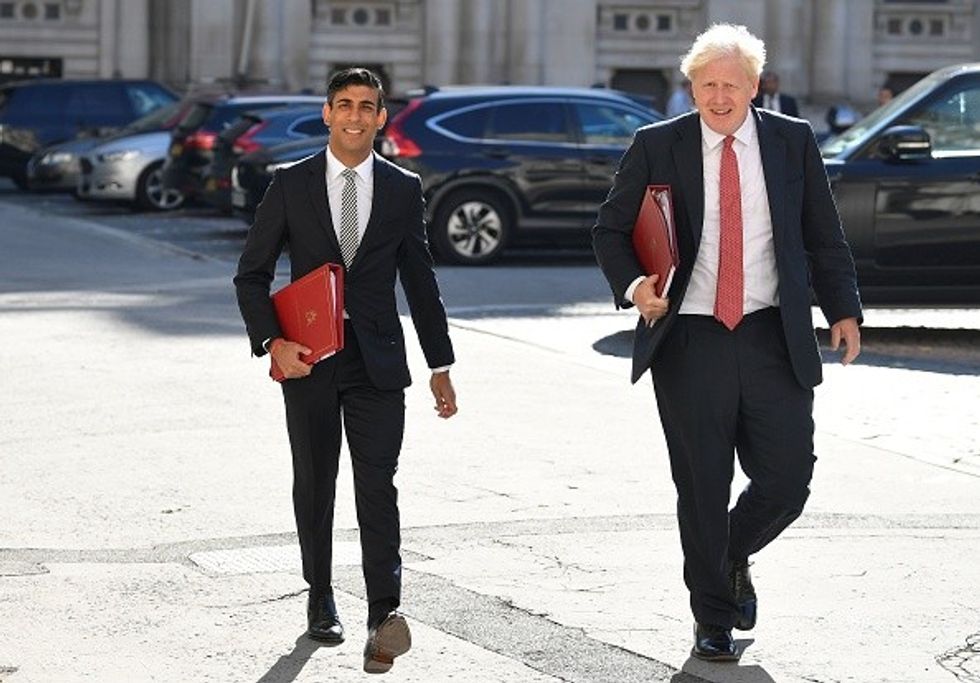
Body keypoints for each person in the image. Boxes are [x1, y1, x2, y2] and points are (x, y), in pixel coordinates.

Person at [593, 24, 861, 662]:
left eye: (730, 85)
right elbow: (610, 230)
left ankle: (730, 552)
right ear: (691, 87)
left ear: (755, 86)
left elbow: (823, 233)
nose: (718, 97)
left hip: (773, 333)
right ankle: (712, 615)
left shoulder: (792, 142)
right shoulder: (656, 144)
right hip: (688, 338)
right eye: (706, 85)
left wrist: (844, 309)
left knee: (788, 480)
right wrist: (634, 287)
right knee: (703, 486)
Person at [234, 67, 458, 674]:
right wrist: (271, 342)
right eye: (344, 105)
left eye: (367, 106)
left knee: (377, 486)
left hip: (380, 362)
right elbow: (250, 275)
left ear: (382, 117)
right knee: (315, 481)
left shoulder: (403, 187)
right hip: (309, 360)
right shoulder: (290, 183)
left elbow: (420, 279)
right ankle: (320, 594)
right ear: (327, 113)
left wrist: (440, 362)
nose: (356, 116)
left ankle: (384, 614)